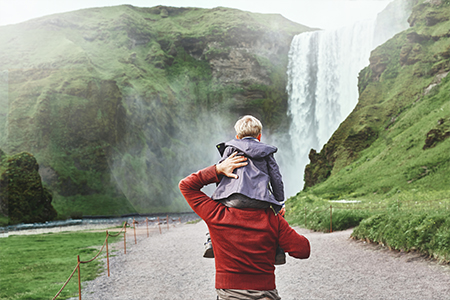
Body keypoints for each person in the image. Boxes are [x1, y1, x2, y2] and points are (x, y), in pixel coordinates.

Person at [179, 152, 311, 300]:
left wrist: (217, 169)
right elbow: (303, 250)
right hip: (265, 293)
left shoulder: (216, 214)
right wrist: (281, 222)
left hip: (228, 294)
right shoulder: (273, 219)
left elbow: (186, 186)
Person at [205, 115, 286, 264]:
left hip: (233, 198)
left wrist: (222, 194)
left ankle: (211, 241)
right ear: (259, 136)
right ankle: (278, 249)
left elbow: (222, 171)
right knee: (278, 216)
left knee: (213, 211)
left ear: (237, 136)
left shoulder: (230, 149)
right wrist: (280, 201)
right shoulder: (267, 152)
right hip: (260, 199)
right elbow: (276, 177)